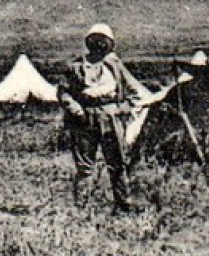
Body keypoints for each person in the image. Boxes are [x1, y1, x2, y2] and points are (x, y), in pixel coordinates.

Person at [58, 23, 148, 212]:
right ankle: (81, 208)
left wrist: (121, 109)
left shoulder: (115, 66)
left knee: (117, 163)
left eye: (103, 42)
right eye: (95, 41)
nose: (99, 45)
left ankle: (123, 204)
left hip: (111, 118)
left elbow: (134, 92)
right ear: (89, 43)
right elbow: (64, 93)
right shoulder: (76, 67)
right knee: (84, 166)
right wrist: (76, 110)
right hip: (84, 119)